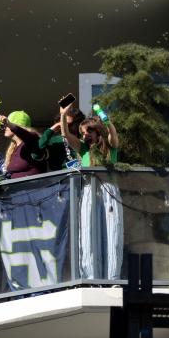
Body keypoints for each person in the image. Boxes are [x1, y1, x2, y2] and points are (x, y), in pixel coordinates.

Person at [60, 104, 123, 280]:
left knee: (112, 233)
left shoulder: (110, 147)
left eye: (88, 132)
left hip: (108, 189)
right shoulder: (83, 148)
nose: (85, 135)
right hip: (89, 189)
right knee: (87, 231)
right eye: (82, 133)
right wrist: (64, 115)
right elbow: (65, 134)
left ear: (97, 132)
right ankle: (90, 277)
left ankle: (112, 278)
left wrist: (105, 119)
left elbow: (112, 133)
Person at [0, 111, 46, 178]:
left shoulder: (32, 142)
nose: (4, 127)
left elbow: (28, 136)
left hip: (34, 187)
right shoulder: (13, 148)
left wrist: (9, 124)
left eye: (5, 125)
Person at [39, 102, 85, 171]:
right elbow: (36, 154)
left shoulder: (84, 140)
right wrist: (54, 128)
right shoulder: (54, 141)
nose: (65, 127)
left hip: (83, 178)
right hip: (60, 179)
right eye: (63, 123)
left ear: (78, 124)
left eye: (68, 125)